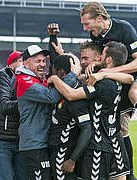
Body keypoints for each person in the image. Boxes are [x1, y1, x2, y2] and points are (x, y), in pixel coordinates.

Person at [80, 2, 137, 179]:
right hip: (119, 77)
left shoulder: (123, 28)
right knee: (121, 129)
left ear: (99, 18)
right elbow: (104, 59)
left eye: (87, 24)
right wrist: (96, 64)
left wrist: (106, 72)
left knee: (135, 94)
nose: (85, 28)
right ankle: (130, 174)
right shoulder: (95, 35)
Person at [48, 42, 133, 180]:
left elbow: (71, 94)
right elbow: (130, 78)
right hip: (114, 141)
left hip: (98, 145)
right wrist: (63, 55)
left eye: (85, 58)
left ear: (104, 58)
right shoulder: (111, 77)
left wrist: (55, 79)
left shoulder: (102, 82)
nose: (82, 62)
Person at [13, 44, 78, 180]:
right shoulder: (25, 81)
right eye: (37, 61)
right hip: (34, 145)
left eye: (43, 61)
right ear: (25, 63)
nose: (42, 64)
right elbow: (51, 96)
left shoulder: (36, 79)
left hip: (41, 143)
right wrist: (73, 75)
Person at [47, 23, 93, 180]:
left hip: (64, 155)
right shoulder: (63, 88)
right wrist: (53, 37)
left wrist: (72, 160)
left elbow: (87, 129)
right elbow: (56, 60)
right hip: (55, 149)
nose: (49, 74)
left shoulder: (75, 96)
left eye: (53, 71)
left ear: (60, 72)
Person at [0, 51, 28, 180]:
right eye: (20, 61)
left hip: (20, 140)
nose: (24, 64)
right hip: (3, 139)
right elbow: (3, 106)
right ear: (12, 64)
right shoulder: (4, 75)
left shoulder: (27, 78)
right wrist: (27, 103)